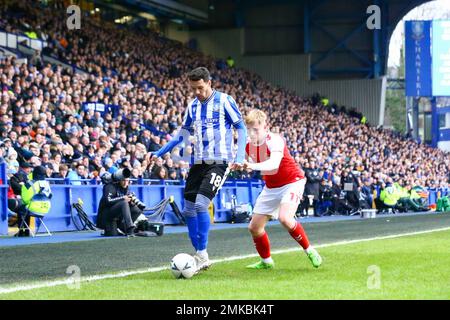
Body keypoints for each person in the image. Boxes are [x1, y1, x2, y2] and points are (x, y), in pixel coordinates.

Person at [150, 67, 247, 271]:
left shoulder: (225, 101)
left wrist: (239, 157)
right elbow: (181, 135)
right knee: (188, 210)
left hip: (219, 162)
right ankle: (200, 255)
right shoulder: (193, 106)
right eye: (193, 88)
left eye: (200, 88)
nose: (197, 92)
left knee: (202, 205)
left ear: (209, 82)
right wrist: (159, 152)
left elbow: (241, 128)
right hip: (199, 163)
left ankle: (202, 254)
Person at [237, 109, 322, 269]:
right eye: (249, 129)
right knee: (254, 227)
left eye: (255, 129)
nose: (252, 133)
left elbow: (273, 164)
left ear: (264, 126)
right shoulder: (248, 145)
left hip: (292, 182)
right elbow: (247, 164)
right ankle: (266, 262)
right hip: (271, 187)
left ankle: (309, 250)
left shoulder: (274, 140)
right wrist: (240, 165)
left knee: (285, 218)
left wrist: (251, 165)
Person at [96, 168, 142, 237]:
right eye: (123, 180)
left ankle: (124, 227)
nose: (126, 183)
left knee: (136, 209)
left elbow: (124, 202)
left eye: (127, 180)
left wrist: (131, 203)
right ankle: (130, 229)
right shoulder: (110, 186)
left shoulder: (126, 187)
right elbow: (108, 201)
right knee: (124, 203)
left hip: (116, 216)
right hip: (107, 217)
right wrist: (123, 198)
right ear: (119, 180)